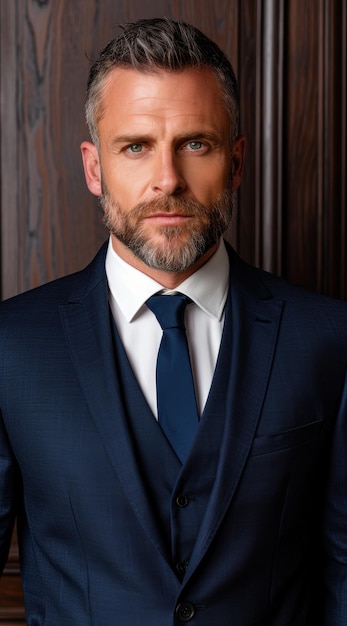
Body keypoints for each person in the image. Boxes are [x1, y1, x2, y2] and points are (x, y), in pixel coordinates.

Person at [0, 17, 346, 626]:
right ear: (93, 167)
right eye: (136, 146)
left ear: (236, 164)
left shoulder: (328, 339)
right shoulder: (10, 348)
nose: (168, 180)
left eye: (196, 144)